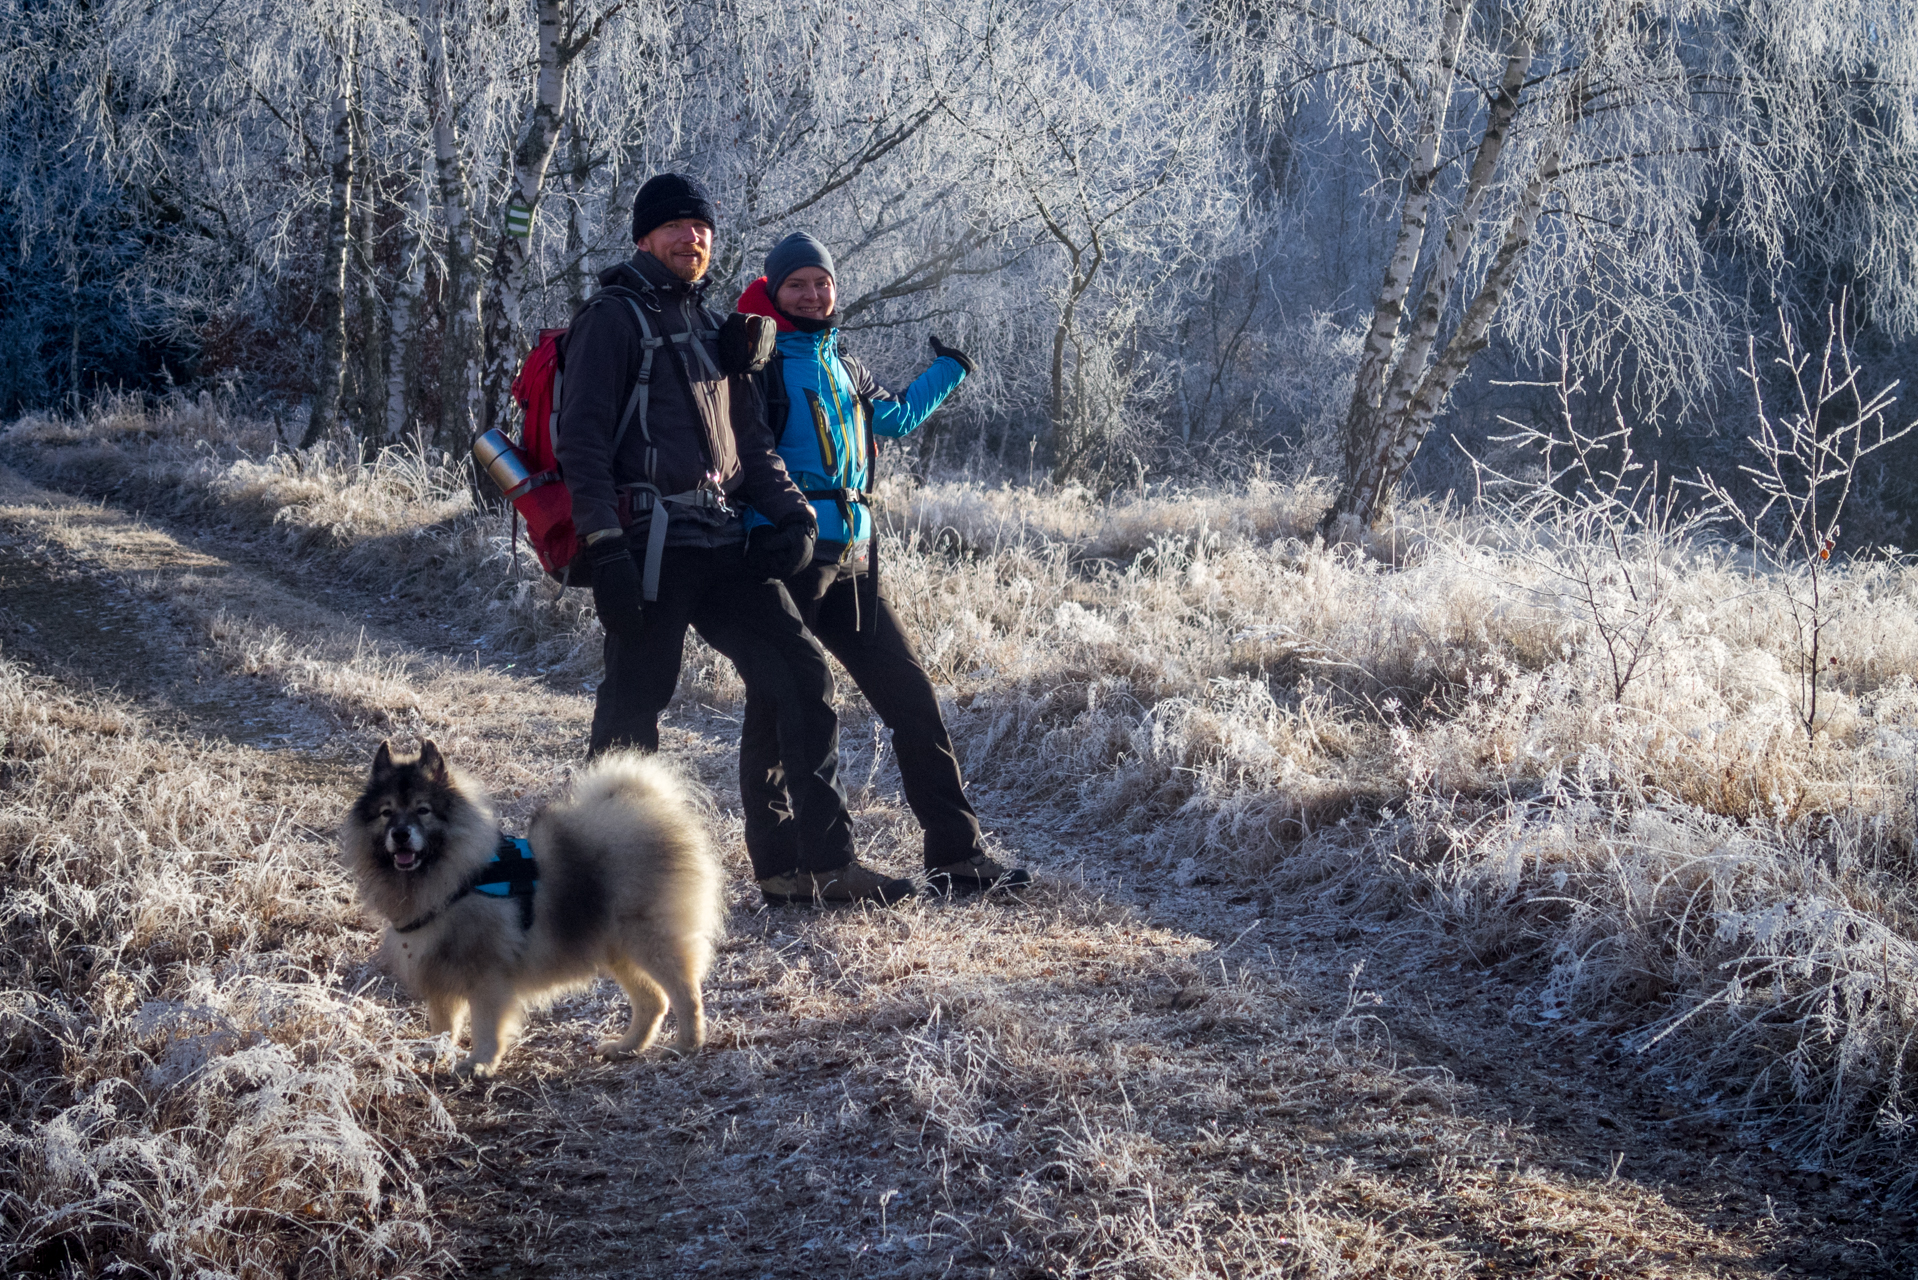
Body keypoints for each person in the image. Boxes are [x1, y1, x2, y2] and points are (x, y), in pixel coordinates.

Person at [555, 177, 914, 906]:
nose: (692, 240)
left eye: (702, 229)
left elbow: (750, 444)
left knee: (800, 674)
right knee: (633, 703)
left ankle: (813, 867)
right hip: (648, 546)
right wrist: (604, 547)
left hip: (719, 543)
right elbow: (582, 443)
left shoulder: (717, 327)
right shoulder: (612, 319)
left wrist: (793, 518)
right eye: (676, 229)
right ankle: (604, 871)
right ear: (643, 238)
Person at [733, 232, 1031, 896]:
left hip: (857, 559)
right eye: (797, 285)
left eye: (822, 282)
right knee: (783, 707)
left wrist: (949, 370)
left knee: (911, 698)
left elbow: (891, 421)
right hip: (791, 553)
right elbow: (747, 450)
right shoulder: (759, 361)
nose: (813, 294)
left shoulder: (844, 362)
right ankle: (791, 870)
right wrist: (781, 519)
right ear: (776, 293)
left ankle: (957, 854)